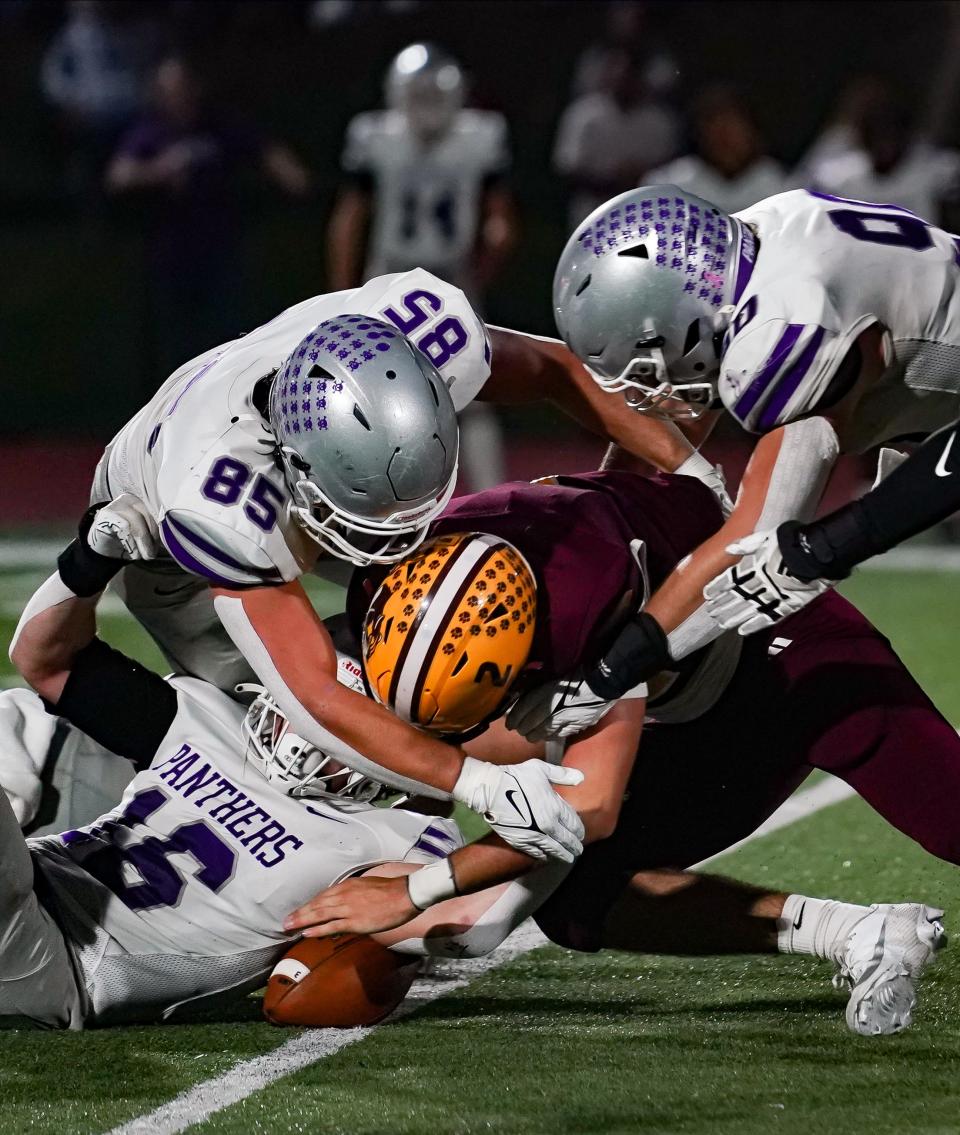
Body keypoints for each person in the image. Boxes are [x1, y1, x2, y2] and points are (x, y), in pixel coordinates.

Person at [11, 261, 720, 861]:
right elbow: (316, 694)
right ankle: (57, 760)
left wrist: (687, 466)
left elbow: (556, 371)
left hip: (301, 462)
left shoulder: (423, 340)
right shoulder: (218, 504)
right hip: (163, 527)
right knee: (265, 743)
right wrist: (469, 780)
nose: (401, 543)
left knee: (452, 633)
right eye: (379, 524)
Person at [286, 470, 951, 1035]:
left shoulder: (594, 606)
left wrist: (413, 891)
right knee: (575, 899)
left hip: (789, 659)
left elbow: (588, 811)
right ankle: (855, 931)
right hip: (677, 699)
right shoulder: (395, 578)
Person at [506, 183, 960, 739]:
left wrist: (606, 675)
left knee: (785, 562)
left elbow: (754, 542)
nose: (647, 397)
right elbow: (699, 383)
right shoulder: (752, 245)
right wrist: (602, 511)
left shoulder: (782, 329)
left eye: (645, 371)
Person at [5, 543, 466, 1028]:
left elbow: (473, 925)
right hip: (32, 884)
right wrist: (89, 559)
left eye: (353, 722)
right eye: (321, 706)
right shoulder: (207, 719)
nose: (318, 730)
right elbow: (47, 661)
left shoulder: (390, 836)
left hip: (61, 961)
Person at [327, 42, 518, 490]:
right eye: (420, 97)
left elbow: (501, 221)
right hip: (397, 274)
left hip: (439, 278)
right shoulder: (380, 137)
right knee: (376, 391)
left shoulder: (474, 137)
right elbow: (350, 218)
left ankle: (486, 494)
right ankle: (375, 491)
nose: (428, 108)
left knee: (470, 392)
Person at [105, 56, 312, 382]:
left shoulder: (218, 125)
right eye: (171, 90)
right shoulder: (151, 131)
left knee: (228, 334)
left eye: (185, 88)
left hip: (220, 248)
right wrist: (160, 169)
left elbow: (266, 150)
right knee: (175, 341)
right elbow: (119, 175)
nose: (180, 97)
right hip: (171, 253)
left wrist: (292, 176)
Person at [553, 47, 680, 229]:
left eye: (630, 73)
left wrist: (641, 177)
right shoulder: (583, 114)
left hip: (649, 215)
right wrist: (612, 180)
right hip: (593, 214)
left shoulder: (660, 120)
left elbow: (676, 169)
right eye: (618, 70)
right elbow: (566, 169)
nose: (623, 78)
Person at [647, 87, 787, 215]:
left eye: (733, 129)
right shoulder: (668, 185)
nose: (725, 140)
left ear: (752, 132)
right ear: (699, 135)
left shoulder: (781, 186)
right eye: (715, 130)